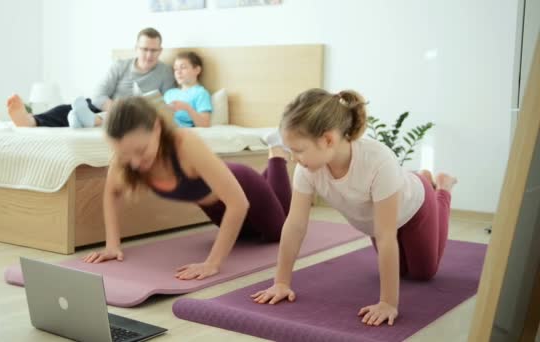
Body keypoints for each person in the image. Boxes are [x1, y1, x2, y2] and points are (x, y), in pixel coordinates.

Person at [250, 88, 458, 327]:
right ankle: (422, 179)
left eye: (298, 150)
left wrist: (388, 303)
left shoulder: (378, 161)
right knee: (399, 273)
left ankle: (441, 190)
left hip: (415, 207)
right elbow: (295, 225)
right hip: (378, 218)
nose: (294, 158)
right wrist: (281, 282)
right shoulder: (307, 169)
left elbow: (386, 236)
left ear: (328, 139)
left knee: (423, 274)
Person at [82, 96, 292, 281]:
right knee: (247, 238)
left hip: (245, 187)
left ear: (157, 128)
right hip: (215, 206)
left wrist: (212, 264)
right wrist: (112, 245)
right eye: (127, 156)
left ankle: (276, 153)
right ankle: (269, 175)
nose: (135, 163)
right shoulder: (126, 153)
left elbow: (238, 203)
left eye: (141, 151)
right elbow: (112, 192)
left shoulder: (184, 143)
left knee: (278, 232)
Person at [5, 27, 175, 127]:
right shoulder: (121, 65)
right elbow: (98, 95)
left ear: (160, 51)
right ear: (136, 48)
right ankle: (31, 121)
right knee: (68, 108)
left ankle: (91, 120)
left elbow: (167, 107)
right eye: (145, 49)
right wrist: (114, 107)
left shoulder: (165, 72)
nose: (149, 55)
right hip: (106, 107)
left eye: (154, 50)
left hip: (135, 117)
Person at [70, 51, 212, 128]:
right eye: (175, 69)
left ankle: (90, 120)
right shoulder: (170, 92)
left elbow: (205, 123)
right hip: (156, 120)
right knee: (133, 109)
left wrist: (187, 108)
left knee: (132, 115)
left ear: (197, 69)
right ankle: (85, 120)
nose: (178, 72)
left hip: (173, 126)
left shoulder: (201, 93)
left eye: (183, 67)